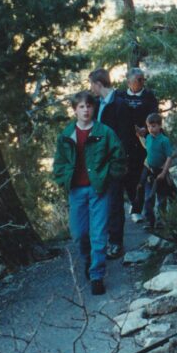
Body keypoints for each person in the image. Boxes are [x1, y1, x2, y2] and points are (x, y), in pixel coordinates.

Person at [52, 91, 125, 295]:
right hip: (76, 191)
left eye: (89, 106)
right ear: (75, 110)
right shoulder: (66, 136)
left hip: (98, 189)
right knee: (79, 233)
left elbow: (118, 156)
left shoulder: (105, 132)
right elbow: (59, 164)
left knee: (99, 233)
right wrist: (63, 179)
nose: (86, 110)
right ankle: (88, 260)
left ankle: (97, 276)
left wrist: (108, 176)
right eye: (81, 107)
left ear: (94, 109)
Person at [88, 68, 128, 259]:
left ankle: (116, 243)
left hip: (113, 161)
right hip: (98, 162)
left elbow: (123, 135)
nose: (91, 89)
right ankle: (103, 241)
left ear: (98, 84)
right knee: (101, 202)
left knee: (114, 202)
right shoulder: (96, 104)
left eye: (92, 85)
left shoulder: (119, 104)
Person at [120, 68, 159, 223]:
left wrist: (146, 128)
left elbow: (155, 114)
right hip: (128, 142)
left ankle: (147, 209)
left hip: (146, 141)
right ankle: (135, 207)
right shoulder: (121, 96)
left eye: (143, 79)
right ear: (129, 82)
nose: (142, 82)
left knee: (146, 175)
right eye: (139, 80)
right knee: (130, 175)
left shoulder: (148, 95)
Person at [137, 113, 174, 230]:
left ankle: (162, 221)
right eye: (149, 126)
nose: (151, 129)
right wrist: (139, 135)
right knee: (148, 197)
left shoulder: (164, 140)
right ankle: (150, 221)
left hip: (160, 171)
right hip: (149, 171)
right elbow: (146, 146)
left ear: (159, 126)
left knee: (162, 198)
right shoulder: (148, 137)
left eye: (153, 126)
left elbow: (169, 157)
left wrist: (164, 172)